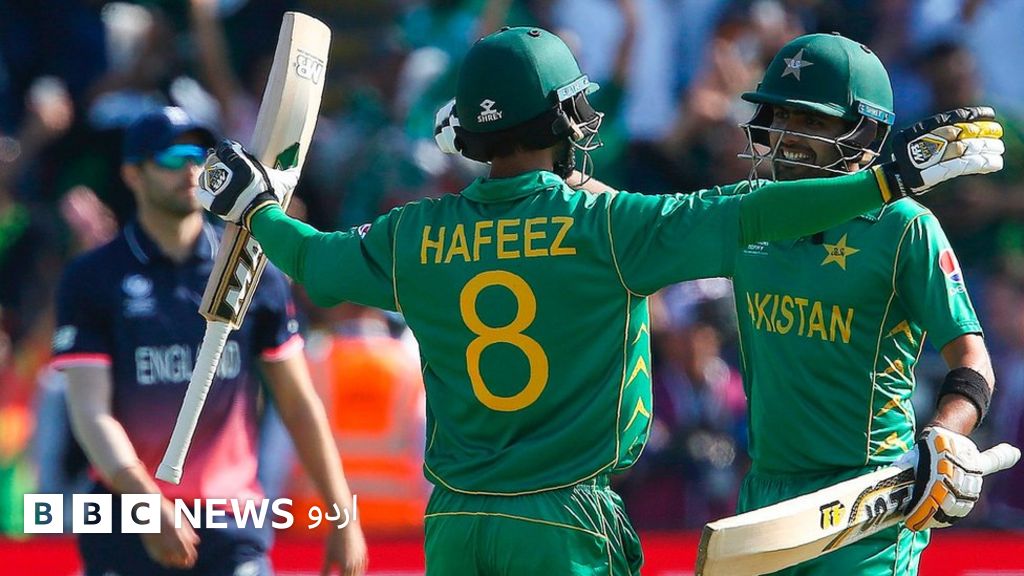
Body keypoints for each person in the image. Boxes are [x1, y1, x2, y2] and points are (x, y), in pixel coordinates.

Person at [193, 27, 1002, 575]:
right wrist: (888, 177)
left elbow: (317, 264)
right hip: (565, 520)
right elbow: (749, 214)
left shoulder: (413, 233)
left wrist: (256, 211)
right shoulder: (612, 227)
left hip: (455, 522)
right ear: (566, 118)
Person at [51, 107, 368, 576]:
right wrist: (145, 502)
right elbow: (90, 411)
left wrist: (342, 514)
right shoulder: (93, 278)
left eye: (198, 155)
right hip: (125, 520)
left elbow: (299, 403)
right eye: (170, 156)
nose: (189, 168)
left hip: (231, 521)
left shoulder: (253, 269)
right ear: (133, 174)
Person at [728, 33, 1002, 574]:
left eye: (812, 120)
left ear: (864, 134)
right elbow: (635, 223)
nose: (787, 135)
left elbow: (974, 361)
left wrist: (944, 437)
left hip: (866, 503)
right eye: (781, 116)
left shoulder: (904, 227)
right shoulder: (745, 214)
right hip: (765, 498)